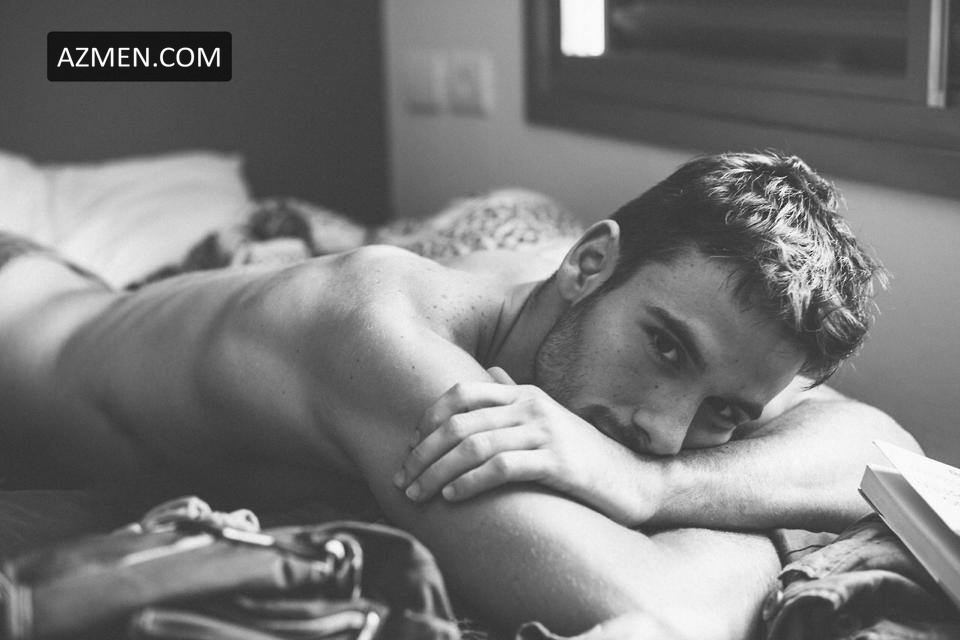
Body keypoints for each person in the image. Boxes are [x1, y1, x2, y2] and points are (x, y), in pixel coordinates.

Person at [0, 151, 918, 639]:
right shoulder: (378, 336)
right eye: (667, 350)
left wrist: (658, 489)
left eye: (725, 413)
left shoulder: (639, 338)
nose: (663, 428)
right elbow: (655, 608)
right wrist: (759, 522)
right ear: (587, 263)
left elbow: (887, 455)